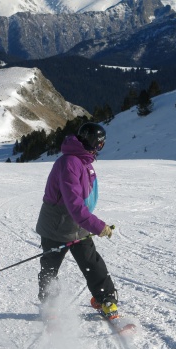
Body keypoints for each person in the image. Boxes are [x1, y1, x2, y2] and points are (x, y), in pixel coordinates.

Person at [35, 122, 118, 319]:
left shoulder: (83, 162)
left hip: (77, 223)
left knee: (92, 262)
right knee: (50, 265)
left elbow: (83, 201)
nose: (100, 149)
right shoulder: (69, 163)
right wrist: (98, 226)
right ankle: (49, 305)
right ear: (93, 143)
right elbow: (74, 204)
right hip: (56, 224)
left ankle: (106, 299)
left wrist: (89, 223)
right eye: (100, 144)